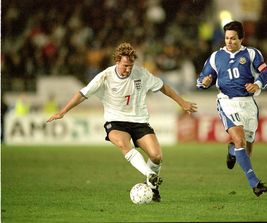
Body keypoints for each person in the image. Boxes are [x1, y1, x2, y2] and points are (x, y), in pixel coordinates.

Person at [47, 42, 197, 202]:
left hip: (139, 121)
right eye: (125, 65)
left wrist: (182, 102)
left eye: (131, 66)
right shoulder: (105, 76)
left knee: (157, 156)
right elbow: (82, 94)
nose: (128, 69)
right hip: (115, 121)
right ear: (117, 60)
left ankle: (153, 187)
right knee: (124, 144)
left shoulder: (141, 73)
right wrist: (62, 112)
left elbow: (162, 87)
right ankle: (150, 175)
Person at [196, 21, 267, 197]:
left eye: (233, 39)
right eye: (226, 38)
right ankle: (255, 183)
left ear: (241, 38)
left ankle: (232, 151)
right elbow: (201, 79)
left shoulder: (252, 54)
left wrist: (257, 84)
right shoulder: (216, 57)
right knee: (240, 141)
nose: (229, 42)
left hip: (248, 104)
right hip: (227, 102)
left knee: (246, 150)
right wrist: (204, 82)